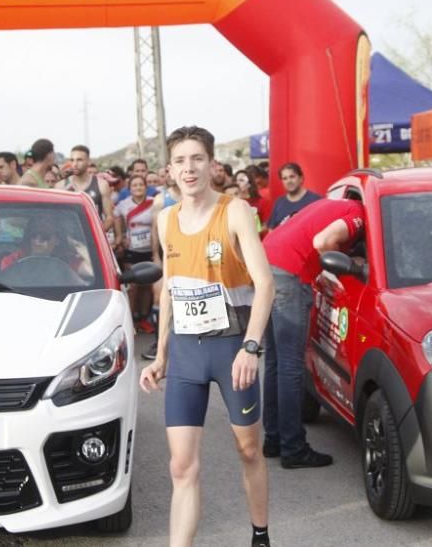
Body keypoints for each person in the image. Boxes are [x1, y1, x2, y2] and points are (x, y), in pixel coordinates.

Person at [140, 125, 275, 547]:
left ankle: (260, 534)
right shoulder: (165, 220)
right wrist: (160, 356)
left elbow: (266, 284)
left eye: (196, 158)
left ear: (211, 163)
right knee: (182, 467)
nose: (189, 168)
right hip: (185, 354)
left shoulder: (234, 212)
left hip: (233, 350)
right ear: (169, 169)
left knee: (249, 450)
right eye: (180, 160)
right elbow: (172, 291)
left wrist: (251, 347)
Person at [261, 197, 365, 468]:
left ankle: (274, 439)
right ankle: (293, 448)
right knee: (290, 365)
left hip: (266, 263)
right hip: (289, 274)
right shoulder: (358, 214)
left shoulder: (329, 203)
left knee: (274, 361)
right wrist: (349, 263)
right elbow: (322, 242)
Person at [141, 167, 182, 361]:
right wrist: (155, 256)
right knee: (159, 297)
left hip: (186, 253)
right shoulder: (160, 199)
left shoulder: (190, 196)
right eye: (166, 173)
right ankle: (159, 342)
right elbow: (154, 229)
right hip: (164, 254)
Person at [57, 145, 120, 247]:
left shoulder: (101, 185)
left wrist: (95, 235)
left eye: (79, 160)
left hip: (93, 242)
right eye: (72, 160)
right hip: (68, 243)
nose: (75, 164)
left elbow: (109, 217)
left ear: (88, 162)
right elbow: (56, 217)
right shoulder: (60, 186)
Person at [116, 174, 155, 328]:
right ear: (129, 188)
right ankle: (130, 321)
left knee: (147, 286)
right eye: (135, 185)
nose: (138, 188)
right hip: (132, 249)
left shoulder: (154, 203)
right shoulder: (123, 205)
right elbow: (116, 218)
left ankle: (143, 318)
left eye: (141, 185)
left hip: (149, 249)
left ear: (146, 187)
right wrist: (121, 236)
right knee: (132, 288)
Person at [0, 218, 92, 279]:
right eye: (33, 235)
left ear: (57, 240)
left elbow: (92, 270)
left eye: (45, 236)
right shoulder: (14, 260)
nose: (37, 241)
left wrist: (73, 243)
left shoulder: (66, 261)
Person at [267, 162, 321, 230]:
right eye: (285, 178)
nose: (289, 181)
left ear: (301, 178)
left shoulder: (316, 201)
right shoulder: (279, 202)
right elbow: (271, 230)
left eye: (292, 177)